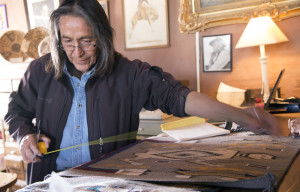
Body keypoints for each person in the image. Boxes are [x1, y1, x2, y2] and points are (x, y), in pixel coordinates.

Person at [4, 0, 280, 184]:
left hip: (108, 182)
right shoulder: (40, 70)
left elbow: (180, 98)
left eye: (86, 41)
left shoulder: (130, 73)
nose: (77, 52)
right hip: (50, 181)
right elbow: (16, 112)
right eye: (67, 42)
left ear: (102, 36)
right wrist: (24, 134)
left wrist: (245, 117)